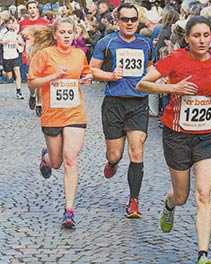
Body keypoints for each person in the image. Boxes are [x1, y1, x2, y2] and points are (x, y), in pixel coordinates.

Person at [136, 16, 211, 264]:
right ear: (187, 38)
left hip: (209, 135)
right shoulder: (175, 59)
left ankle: (203, 255)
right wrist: (173, 89)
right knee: (181, 196)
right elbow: (142, 85)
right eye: (196, 36)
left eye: (206, 35)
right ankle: (169, 204)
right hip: (178, 136)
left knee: (204, 194)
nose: (202, 40)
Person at [26, 17, 92, 228]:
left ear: (75, 35)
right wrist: (53, 76)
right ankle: (46, 157)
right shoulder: (45, 55)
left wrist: (87, 77)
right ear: (55, 34)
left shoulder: (79, 54)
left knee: (70, 158)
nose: (66, 35)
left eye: (69, 32)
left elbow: (85, 71)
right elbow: (31, 83)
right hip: (52, 115)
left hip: (75, 114)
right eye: (62, 32)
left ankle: (69, 211)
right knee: (57, 163)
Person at [90, 3, 152, 219]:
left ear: (138, 21)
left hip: (138, 104)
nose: (129, 23)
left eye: (133, 19)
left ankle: (134, 201)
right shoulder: (106, 43)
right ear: (117, 21)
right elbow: (92, 69)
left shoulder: (146, 43)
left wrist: (156, 77)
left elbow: (151, 67)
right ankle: (112, 163)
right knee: (115, 154)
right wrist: (110, 76)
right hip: (114, 104)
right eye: (125, 19)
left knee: (136, 151)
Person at [19, 0, 49, 116]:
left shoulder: (44, 22)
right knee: (31, 80)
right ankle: (32, 95)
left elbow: (48, 37)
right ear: (27, 10)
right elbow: (19, 36)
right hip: (28, 54)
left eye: (34, 7)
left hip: (41, 54)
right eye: (30, 8)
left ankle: (40, 104)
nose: (32, 10)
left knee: (40, 80)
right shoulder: (23, 23)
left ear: (37, 9)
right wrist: (20, 41)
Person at [0, 15, 24, 99]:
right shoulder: (3, 32)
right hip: (6, 57)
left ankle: (19, 91)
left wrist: (19, 43)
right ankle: (2, 71)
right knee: (9, 77)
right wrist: (3, 42)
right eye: (8, 23)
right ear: (6, 24)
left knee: (17, 72)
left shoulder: (17, 32)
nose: (11, 25)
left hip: (15, 56)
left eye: (12, 23)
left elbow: (22, 43)